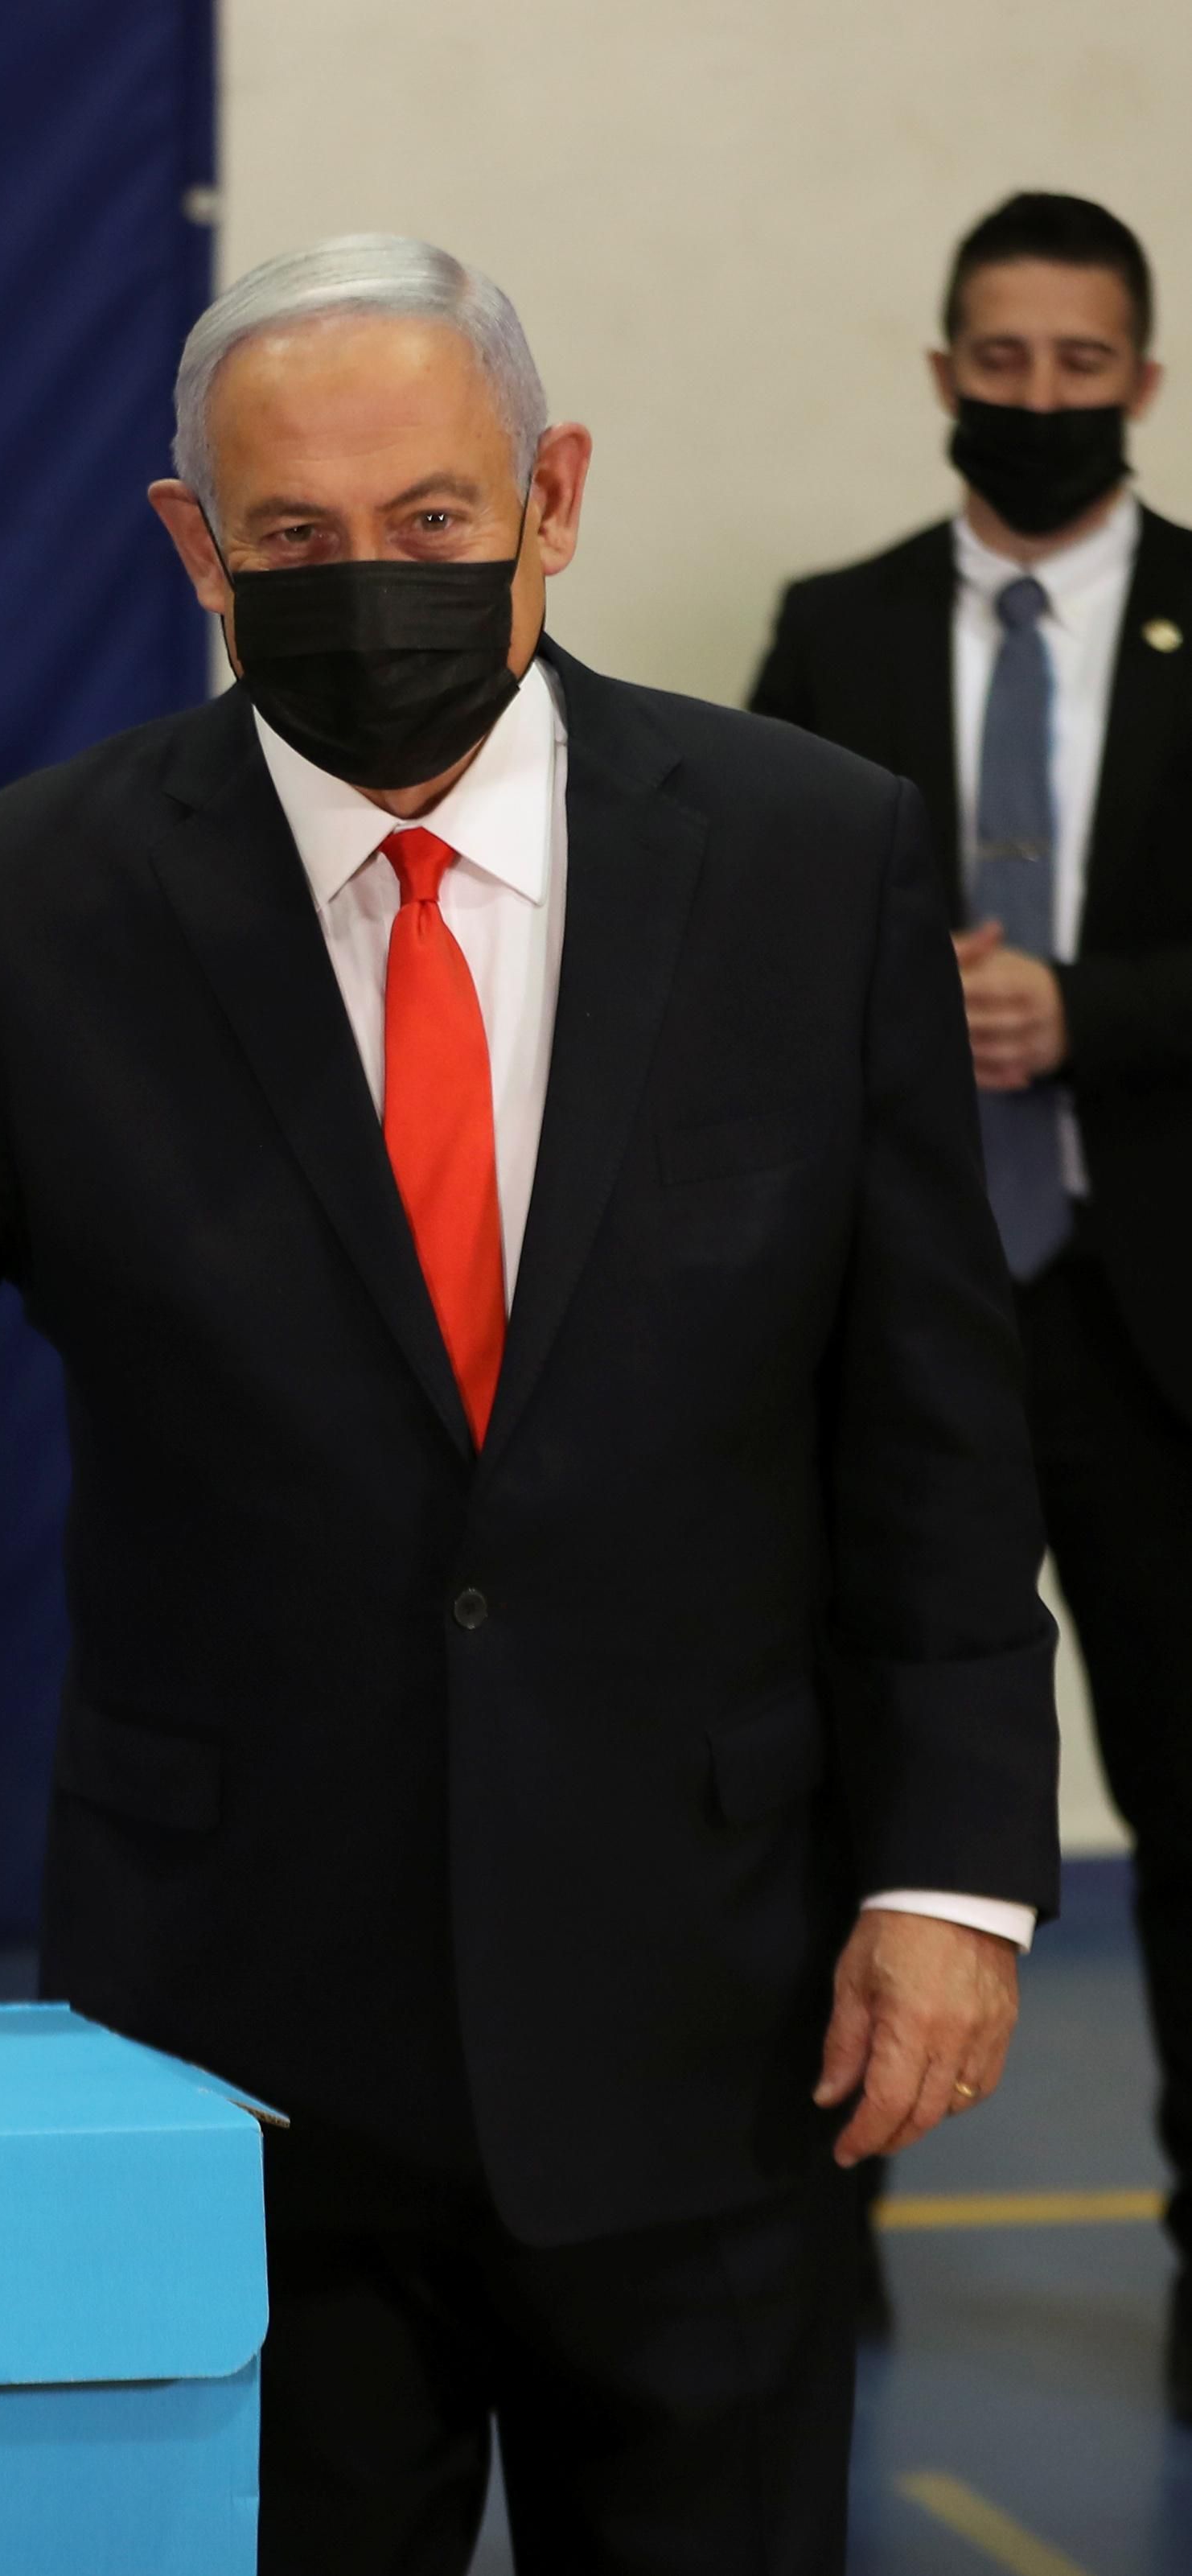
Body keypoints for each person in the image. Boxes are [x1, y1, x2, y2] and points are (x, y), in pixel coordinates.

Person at [0, 238, 1057, 2570]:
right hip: (231, 2039)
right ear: (189, 544)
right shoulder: (42, 903)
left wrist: (954, 1873)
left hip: (714, 2016)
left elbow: (928, 1405)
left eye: (427, 522)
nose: (366, 584)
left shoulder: (806, 858)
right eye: (291, 541)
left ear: (553, 496)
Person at [750, 190, 1190, 2397]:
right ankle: (819, 2251)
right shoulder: (825, 631)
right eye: (995, 363)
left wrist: (1083, 1013)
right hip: (895, 1316)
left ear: (1140, 376)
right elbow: (726, 947)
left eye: (1075, 365)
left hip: (1148, 1316)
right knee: (851, 1786)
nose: (1033, 401)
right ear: (941, 371)